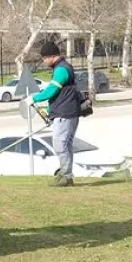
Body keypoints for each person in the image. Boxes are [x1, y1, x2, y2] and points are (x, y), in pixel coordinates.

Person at [25, 41, 83, 187]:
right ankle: (66, 175)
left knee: (60, 144)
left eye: (44, 59)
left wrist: (34, 98)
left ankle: (65, 175)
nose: (44, 62)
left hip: (65, 113)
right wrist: (50, 110)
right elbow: (61, 94)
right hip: (66, 111)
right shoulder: (61, 68)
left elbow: (52, 90)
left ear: (51, 56)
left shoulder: (61, 70)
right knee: (65, 145)